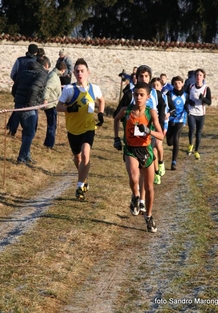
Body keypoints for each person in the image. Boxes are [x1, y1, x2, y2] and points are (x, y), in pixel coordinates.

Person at [113, 82, 164, 233]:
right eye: (136, 95)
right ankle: (135, 196)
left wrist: (149, 131)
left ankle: (148, 216)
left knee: (149, 189)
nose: (138, 97)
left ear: (148, 97)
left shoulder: (151, 112)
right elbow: (116, 119)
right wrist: (116, 138)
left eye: (141, 95)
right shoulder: (126, 110)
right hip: (130, 149)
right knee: (134, 177)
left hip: (146, 150)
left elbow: (160, 135)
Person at [56, 58, 105, 200]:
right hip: (72, 130)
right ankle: (84, 179)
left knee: (85, 154)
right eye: (77, 71)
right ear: (73, 73)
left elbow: (101, 100)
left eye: (82, 71)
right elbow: (59, 107)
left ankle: (79, 186)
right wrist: (69, 108)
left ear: (88, 72)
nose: (79, 73)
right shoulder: (69, 89)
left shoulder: (94, 88)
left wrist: (100, 113)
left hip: (88, 127)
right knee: (77, 159)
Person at [13, 55, 51, 165]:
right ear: (46, 65)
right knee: (30, 133)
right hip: (28, 107)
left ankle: (27, 155)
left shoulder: (23, 72)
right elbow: (34, 88)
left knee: (27, 132)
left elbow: (14, 88)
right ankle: (22, 158)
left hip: (18, 106)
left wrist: (17, 100)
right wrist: (30, 105)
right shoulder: (42, 74)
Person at [7, 43, 39, 136]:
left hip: (19, 88)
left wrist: (18, 82)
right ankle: (32, 131)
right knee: (33, 110)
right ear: (36, 52)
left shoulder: (19, 60)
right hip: (33, 89)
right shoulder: (38, 61)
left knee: (17, 109)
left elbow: (13, 74)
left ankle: (12, 130)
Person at [186, 68, 212, 159]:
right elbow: (186, 97)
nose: (198, 77)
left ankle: (196, 151)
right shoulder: (190, 86)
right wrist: (189, 102)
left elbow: (209, 102)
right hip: (191, 112)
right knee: (191, 129)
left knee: (198, 132)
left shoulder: (206, 88)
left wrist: (203, 99)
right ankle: (190, 144)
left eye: (200, 75)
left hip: (201, 113)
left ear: (203, 77)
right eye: (197, 75)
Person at [42, 61, 66, 149]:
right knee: (52, 125)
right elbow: (48, 88)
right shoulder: (53, 77)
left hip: (53, 103)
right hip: (51, 104)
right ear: (63, 70)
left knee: (52, 124)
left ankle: (48, 143)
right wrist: (45, 99)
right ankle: (49, 144)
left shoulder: (54, 75)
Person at [166, 76, 188, 170]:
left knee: (176, 139)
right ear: (173, 85)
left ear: (182, 84)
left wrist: (188, 108)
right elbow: (165, 104)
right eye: (175, 83)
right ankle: (170, 140)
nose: (177, 85)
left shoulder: (186, 95)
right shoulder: (169, 94)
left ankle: (173, 162)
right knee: (169, 142)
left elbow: (188, 104)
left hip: (180, 119)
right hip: (170, 119)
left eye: (179, 83)